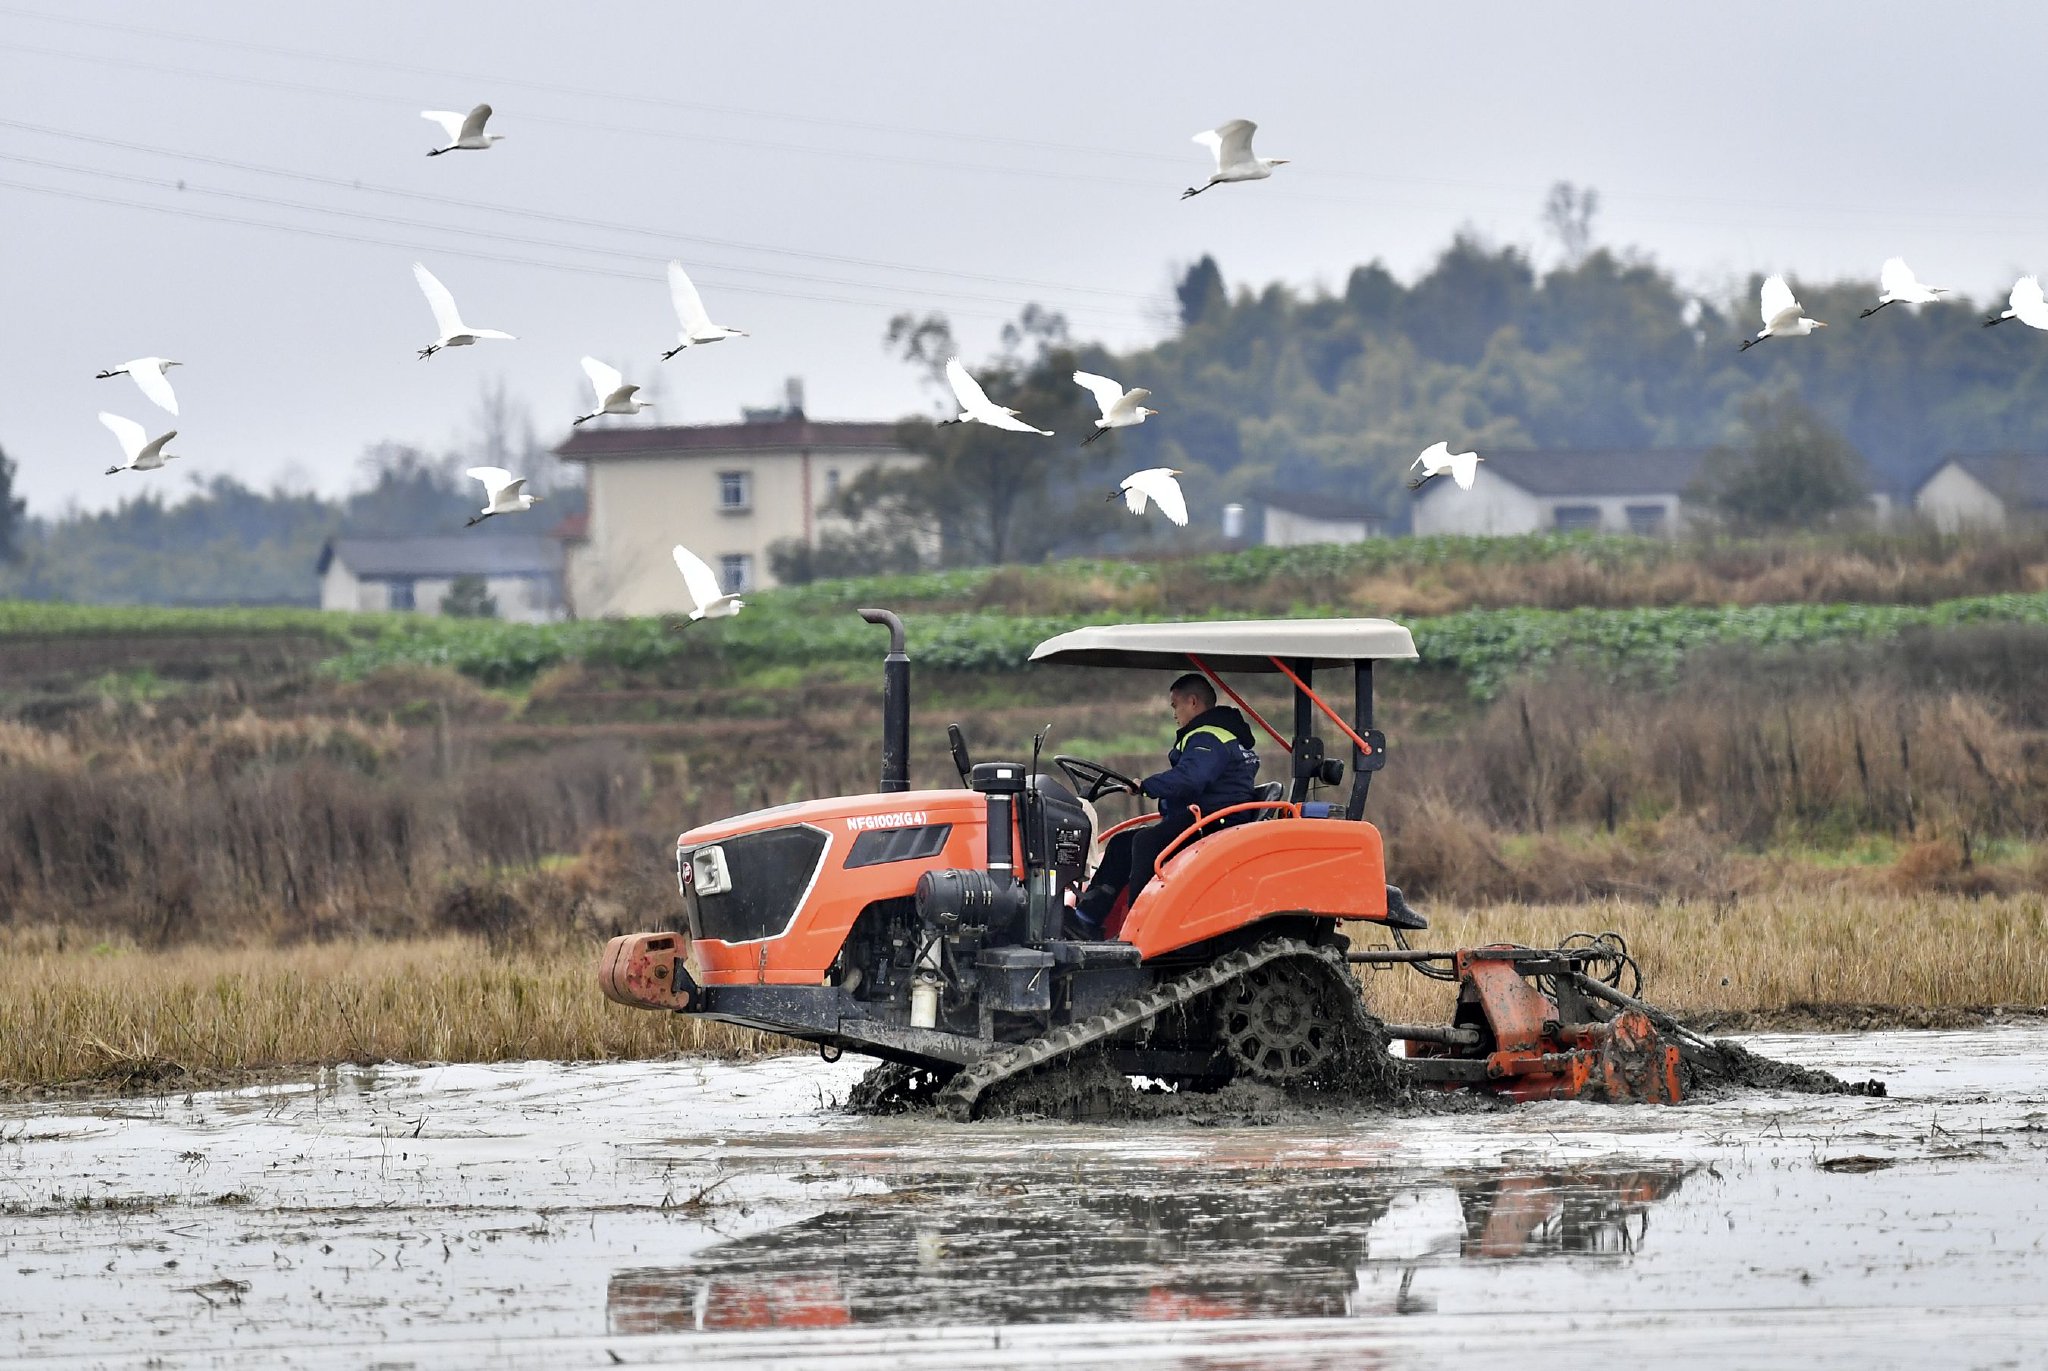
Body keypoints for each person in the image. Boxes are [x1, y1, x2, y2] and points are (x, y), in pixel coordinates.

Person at [1070, 672, 1260, 936]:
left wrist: (1147, 785)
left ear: (1193, 702)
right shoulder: (1219, 734)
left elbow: (1192, 778)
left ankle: (1139, 929)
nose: (1174, 713)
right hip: (1208, 817)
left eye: (1175, 705)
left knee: (1146, 843)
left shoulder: (1209, 736)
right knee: (1122, 843)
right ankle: (1085, 920)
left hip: (1214, 822)